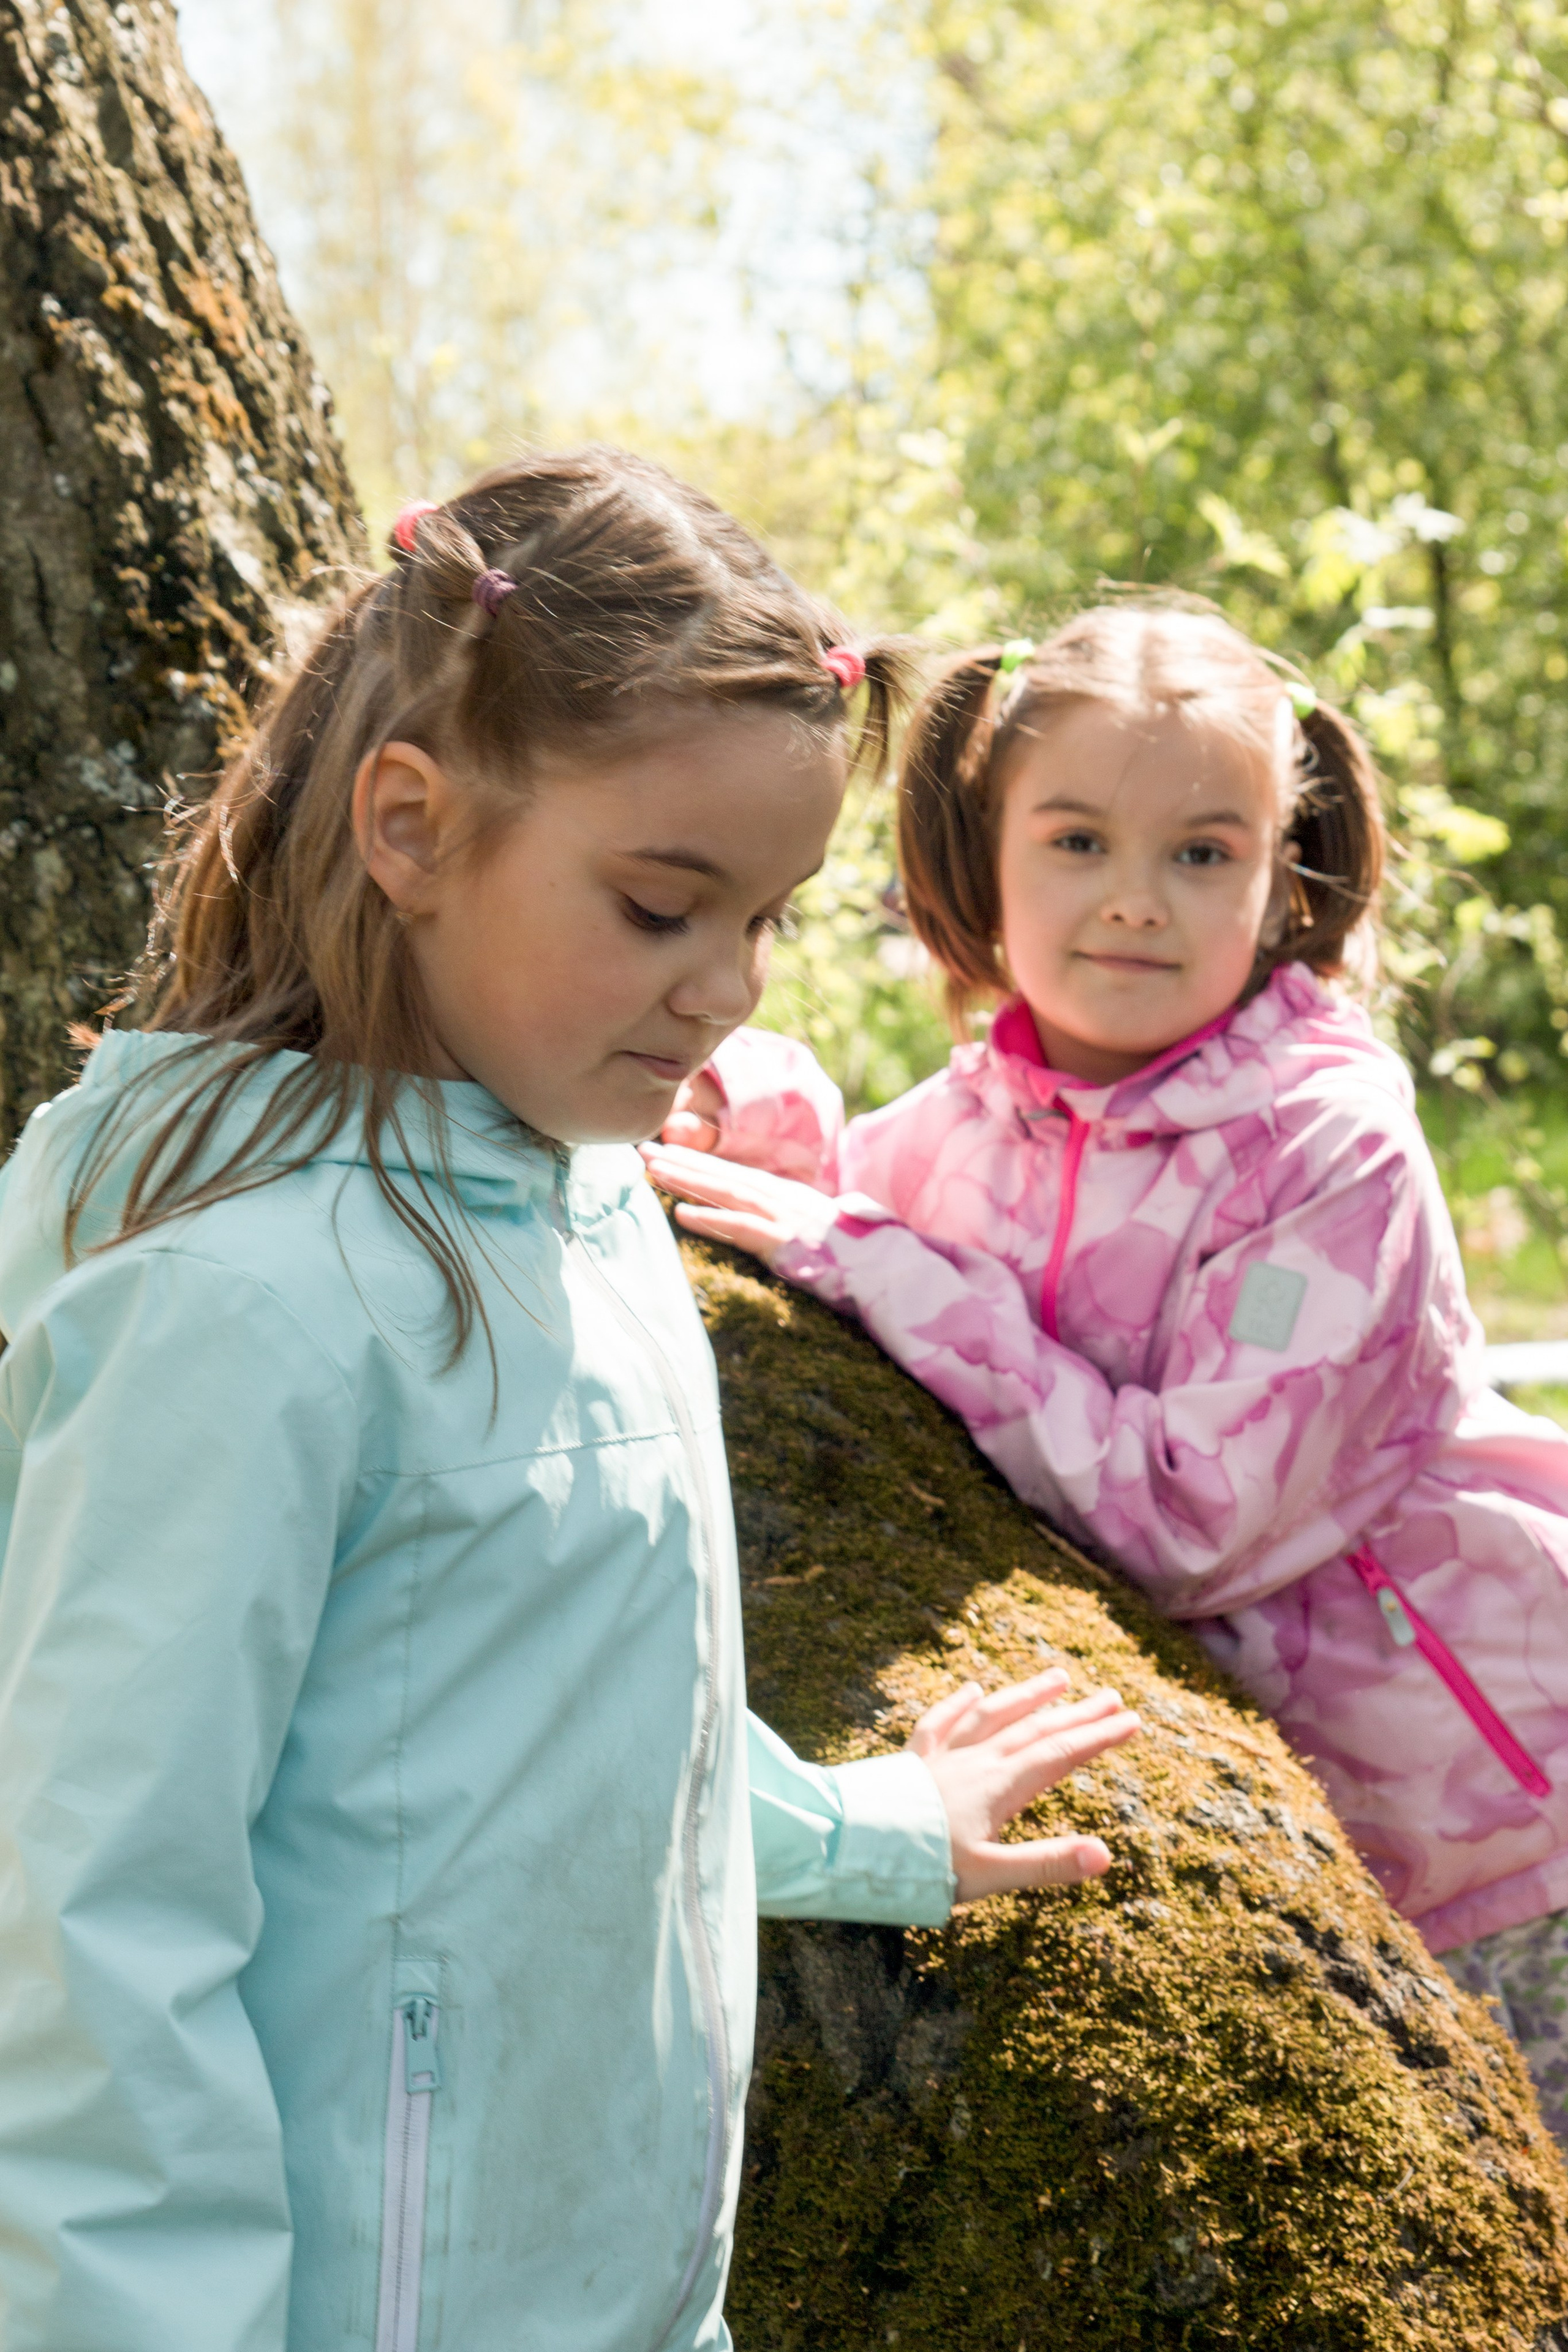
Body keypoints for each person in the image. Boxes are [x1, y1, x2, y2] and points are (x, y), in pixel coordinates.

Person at [0, 453, 1142, 2352]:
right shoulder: (231, 1310)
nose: (723, 989)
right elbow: (88, 1938)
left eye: (765, 921)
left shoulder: (589, 1204)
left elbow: (574, 1719)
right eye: (658, 906)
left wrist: (870, 1828)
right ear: (411, 827)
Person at [645, 600, 1568, 2143]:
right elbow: (856, 1199)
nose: (1133, 901)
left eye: (1201, 853)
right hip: (1308, 1846)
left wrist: (875, 1262)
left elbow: (1192, 1521)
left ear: (1284, 880)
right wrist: (732, 1093)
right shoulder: (977, 1124)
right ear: (980, 853)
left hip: (1502, 1817)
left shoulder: (1329, 1152)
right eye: (1075, 841)